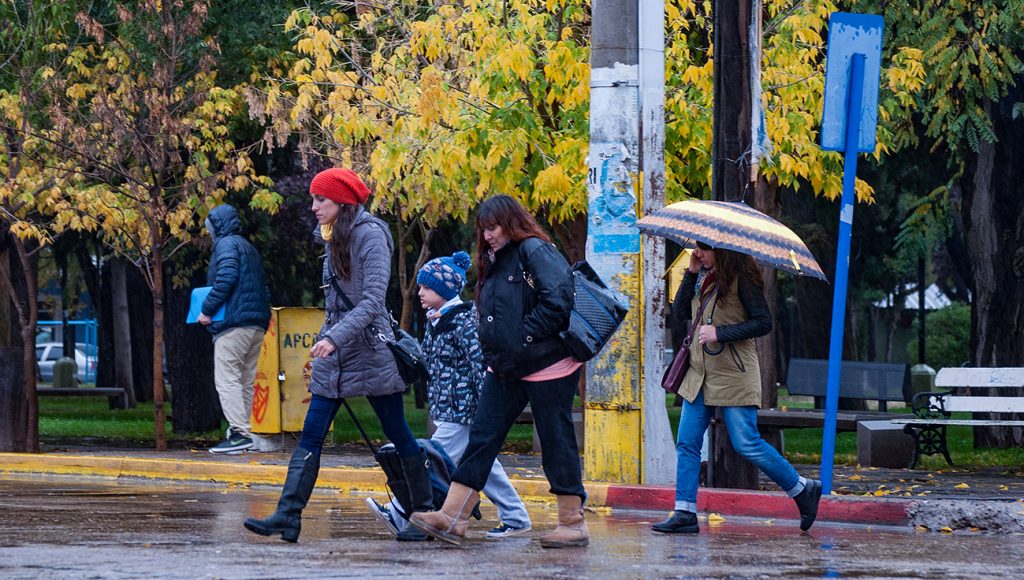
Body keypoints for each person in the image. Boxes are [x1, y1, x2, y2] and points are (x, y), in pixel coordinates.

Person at [243, 167, 432, 543]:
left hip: (371, 350)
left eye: (321, 199)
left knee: (396, 430)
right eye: (313, 198)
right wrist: (330, 340)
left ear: (342, 202)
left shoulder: (372, 235)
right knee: (311, 435)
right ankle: (288, 515)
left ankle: (424, 515)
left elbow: (373, 301)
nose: (313, 207)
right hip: (337, 352)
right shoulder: (333, 236)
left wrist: (335, 338)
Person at [409, 195, 587, 548]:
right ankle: (452, 517)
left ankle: (572, 522)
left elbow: (560, 300)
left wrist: (522, 336)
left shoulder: (535, 250)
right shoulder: (496, 259)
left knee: (556, 441)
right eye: (483, 229)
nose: (487, 235)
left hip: (547, 365)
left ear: (510, 222)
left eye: (492, 227)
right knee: (482, 438)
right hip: (505, 366)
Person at [652, 241, 822, 534]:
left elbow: (763, 322)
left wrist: (721, 332)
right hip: (699, 373)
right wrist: (690, 273)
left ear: (724, 250)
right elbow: (680, 312)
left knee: (746, 442)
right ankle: (684, 512)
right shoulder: (700, 277)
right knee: (687, 443)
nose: (699, 254)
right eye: (698, 249)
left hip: (734, 373)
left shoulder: (743, 279)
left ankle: (802, 488)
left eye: (704, 249)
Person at [365, 251, 533, 540]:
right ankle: (516, 517)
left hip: (464, 411)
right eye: (419, 287)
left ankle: (399, 511)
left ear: (445, 290)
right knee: (484, 465)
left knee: (428, 458)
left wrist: (488, 410)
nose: (419, 293)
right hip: (450, 409)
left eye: (426, 288)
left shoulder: (464, 322)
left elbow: (481, 367)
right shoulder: (435, 320)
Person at [199, 204, 272, 454]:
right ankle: (245, 433)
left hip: (233, 323)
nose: (208, 233)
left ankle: (239, 433)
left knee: (227, 378)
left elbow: (226, 279)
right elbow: (262, 286)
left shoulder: (226, 245)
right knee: (244, 380)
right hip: (256, 324)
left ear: (217, 226)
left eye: (209, 227)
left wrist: (206, 310)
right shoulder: (248, 247)